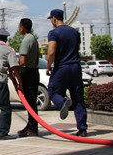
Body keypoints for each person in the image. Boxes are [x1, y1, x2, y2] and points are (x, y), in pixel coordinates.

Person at [46, 9, 88, 137]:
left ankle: (63, 102)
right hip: (76, 67)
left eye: (51, 19)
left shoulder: (54, 33)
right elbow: (77, 47)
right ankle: (82, 129)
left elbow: (51, 52)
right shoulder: (75, 32)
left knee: (53, 91)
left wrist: (48, 66)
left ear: (54, 19)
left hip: (62, 67)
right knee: (78, 98)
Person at [17, 18, 40, 137]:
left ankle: (33, 129)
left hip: (28, 73)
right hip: (34, 72)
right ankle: (30, 125)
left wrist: (15, 67)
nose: (18, 28)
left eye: (19, 26)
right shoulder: (33, 38)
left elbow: (23, 61)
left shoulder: (26, 40)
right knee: (31, 101)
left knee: (30, 102)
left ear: (22, 27)